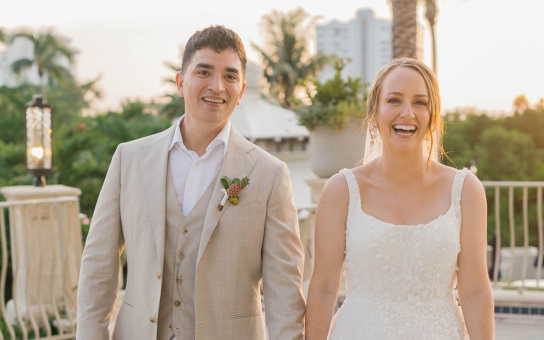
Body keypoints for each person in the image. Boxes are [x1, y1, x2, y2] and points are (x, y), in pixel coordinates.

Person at [77, 25, 305, 340]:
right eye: (204, 72)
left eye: (230, 76)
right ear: (181, 83)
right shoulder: (129, 159)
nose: (217, 86)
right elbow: (98, 267)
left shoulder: (270, 174)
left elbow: (285, 292)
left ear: (240, 91)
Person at [306, 58, 494, 339]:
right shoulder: (341, 190)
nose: (407, 113)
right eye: (394, 100)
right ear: (375, 111)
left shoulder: (466, 191)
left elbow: (476, 290)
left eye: (420, 102)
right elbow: (322, 288)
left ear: (433, 114)